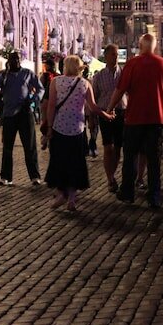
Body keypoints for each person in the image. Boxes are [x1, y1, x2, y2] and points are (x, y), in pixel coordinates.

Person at [107, 33, 163, 210]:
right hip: (157, 119)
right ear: (155, 45)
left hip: (135, 119)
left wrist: (110, 107)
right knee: (154, 159)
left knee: (130, 157)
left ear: (140, 45)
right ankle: (154, 196)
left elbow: (120, 90)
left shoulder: (132, 64)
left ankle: (128, 192)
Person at [43, 55, 114, 210]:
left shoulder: (56, 82)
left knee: (60, 162)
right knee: (76, 163)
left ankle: (61, 194)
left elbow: (51, 106)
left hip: (59, 128)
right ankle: (72, 199)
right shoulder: (84, 83)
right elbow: (93, 107)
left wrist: (49, 128)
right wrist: (107, 115)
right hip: (77, 129)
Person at [0, 51, 44, 185]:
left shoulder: (27, 73)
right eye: (12, 59)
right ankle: (6, 177)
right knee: (7, 147)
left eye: (17, 59)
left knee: (30, 146)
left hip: (25, 112)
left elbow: (40, 89)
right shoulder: (3, 75)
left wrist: (33, 100)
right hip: (9, 114)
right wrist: (3, 74)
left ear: (20, 60)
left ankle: (35, 176)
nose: (15, 61)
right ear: (8, 61)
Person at [92, 44, 126, 192]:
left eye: (117, 54)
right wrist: (92, 117)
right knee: (108, 147)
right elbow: (94, 97)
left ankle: (112, 174)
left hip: (121, 113)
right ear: (105, 56)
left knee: (118, 147)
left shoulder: (124, 74)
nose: (116, 57)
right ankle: (110, 178)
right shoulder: (98, 76)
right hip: (105, 114)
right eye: (113, 54)